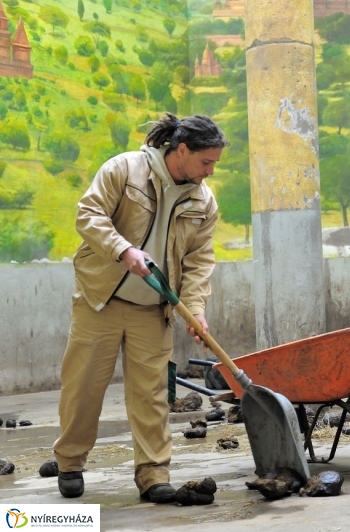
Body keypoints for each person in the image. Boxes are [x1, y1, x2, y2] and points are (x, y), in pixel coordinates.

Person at [53, 113, 228, 503]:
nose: (210, 172)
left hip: (154, 310)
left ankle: (153, 473)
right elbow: (89, 215)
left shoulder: (203, 200)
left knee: (151, 396)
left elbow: (200, 260)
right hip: (101, 300)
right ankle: (70, 463)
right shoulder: (125, 169)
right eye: (206, 162)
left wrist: (196, 308)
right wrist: (123, 249)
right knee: (83, 388)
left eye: (215, 163)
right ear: (181, 151)